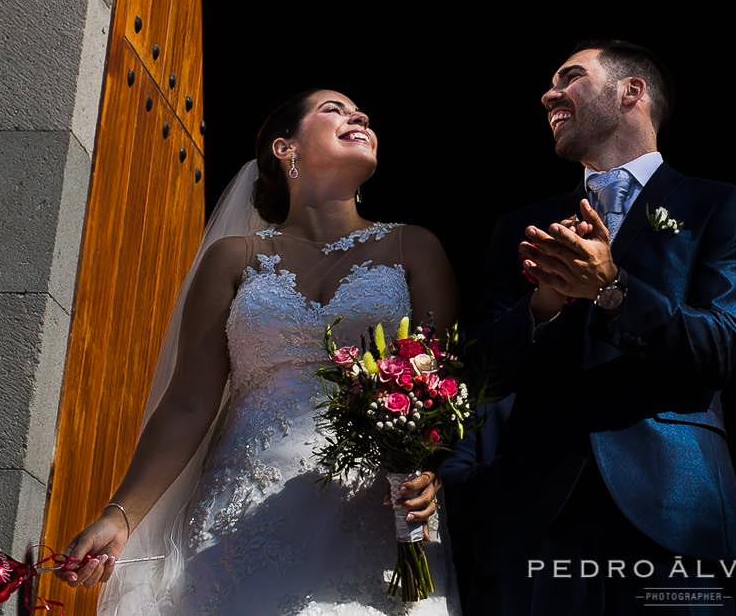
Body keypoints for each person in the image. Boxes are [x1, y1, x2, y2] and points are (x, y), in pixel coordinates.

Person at [58, 89, 462, 614]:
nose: (358, 115)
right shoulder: (233, 260)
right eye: (333, 110)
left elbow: (447, 384)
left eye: (360, 111)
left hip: (376, 511)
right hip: (238, 515)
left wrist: (427, 467)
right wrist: (121, 516)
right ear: (284, 147)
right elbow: (186, 404)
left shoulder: (415, 247)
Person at [456, 40, 736, 615]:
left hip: (675, 506)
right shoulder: (521, 225)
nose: (550, 93)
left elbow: (724, 346)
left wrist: (613, 289)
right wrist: (541, 307)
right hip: (539, 512)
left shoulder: (717, 205)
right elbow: (476, 370)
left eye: (571, 77)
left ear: (631, 92)